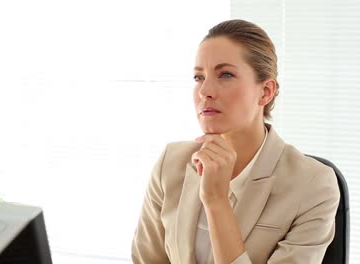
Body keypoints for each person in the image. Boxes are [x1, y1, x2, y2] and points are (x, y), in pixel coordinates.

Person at [132, 19, 340, 264]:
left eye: (226, 74)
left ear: (265, 91)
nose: (204, 91)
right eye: (199, 77)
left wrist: (216, 201)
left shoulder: (313, 185)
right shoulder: (172, 162)